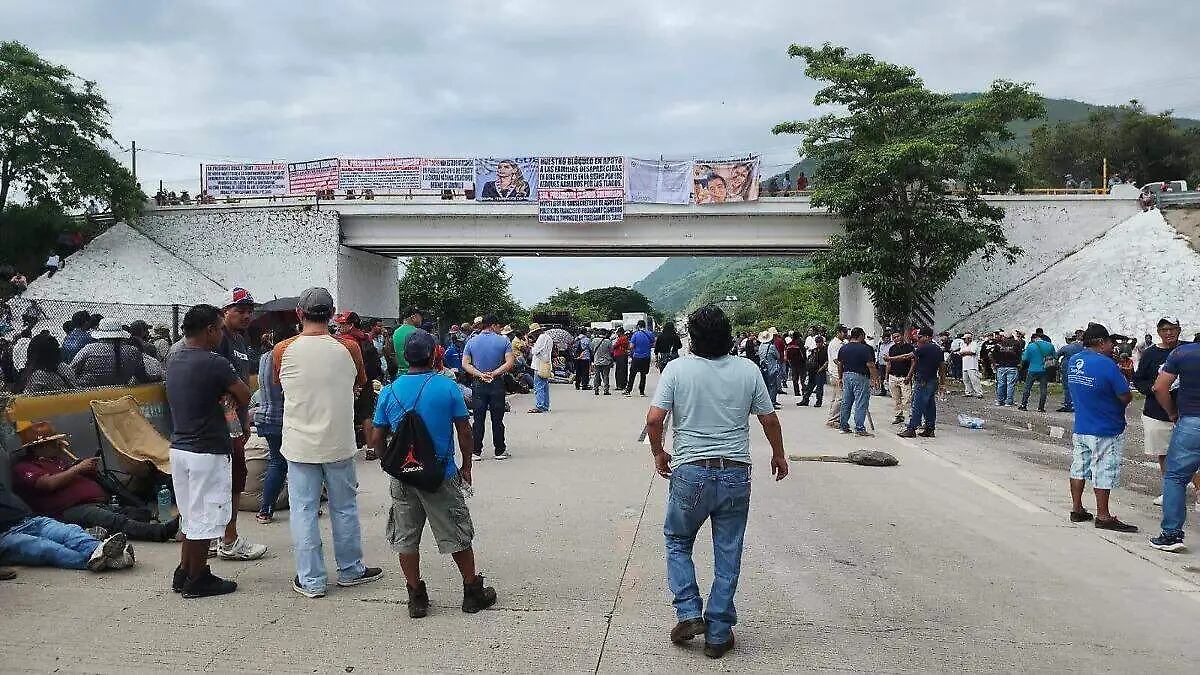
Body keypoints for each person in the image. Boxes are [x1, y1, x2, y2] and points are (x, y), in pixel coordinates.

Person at [645, 304, 789, 660]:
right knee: (728, 551)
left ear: (692, 338)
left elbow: (654, 419)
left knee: (678, 541)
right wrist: (778, 454)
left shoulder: (676, 370)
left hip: (690, 471)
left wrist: (659, 453)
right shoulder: (747, 370)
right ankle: (719, 632)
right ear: (728, 335)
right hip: (735, 472)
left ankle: (690, 612)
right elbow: (769, 419)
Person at [368, 329, 497, 617]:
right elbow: (464, 430)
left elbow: (376, 437)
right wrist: (466, 465)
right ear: (434, 354)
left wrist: (387, 462)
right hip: (440, 475)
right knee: (456, 533)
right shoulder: (447, 387)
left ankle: (416, 597)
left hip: (403, 477)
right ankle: (472, 592)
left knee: (406, 537)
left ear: (405, 357)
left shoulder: (389, 391)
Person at [273, 288, 383, 598]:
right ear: (332, 314)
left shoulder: (283, 349)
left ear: (299, 314)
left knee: (304, 511)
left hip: (299, 444)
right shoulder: (348, 347)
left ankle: (311, 580)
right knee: (345, 508)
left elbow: (278, 383)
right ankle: (350, 569)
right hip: (339, 441)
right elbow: (359, 382)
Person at [165, 304, 252, 598]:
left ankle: (184, 570)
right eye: (219, 328)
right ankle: (198, 578)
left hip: (180, 448)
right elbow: (244, 394)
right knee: (205, 518)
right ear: (211, 330)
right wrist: (225, 394)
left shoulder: (174, 359)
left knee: (190, 516)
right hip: (207, 450)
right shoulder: (215, 362)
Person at [11, 427, 178, 542]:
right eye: (53, 443)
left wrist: (85, 469)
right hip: (65, 510)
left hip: (91, 503)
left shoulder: (57, 461)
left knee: (134, 513)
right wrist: (78, 468)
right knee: (115, 520)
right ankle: (160, 533)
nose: (58, 445)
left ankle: (144, 523)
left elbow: (73, 477)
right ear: (39, 446)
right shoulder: (25, 467)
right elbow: (48, 484)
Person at [1065, 323, 1138, 532]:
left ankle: (1077, 508)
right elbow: (1125, 395)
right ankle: (1104, 516)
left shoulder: (1074, 360)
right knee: (1104, 470)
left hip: (1082, 425)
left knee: (1079, 466)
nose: (1111, 347)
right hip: (1106, 427)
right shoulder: (1106, 364)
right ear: (1100, 342)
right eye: (1109, 342)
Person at [212, 288, 268, 562]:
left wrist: (244, 418)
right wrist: (233, 417)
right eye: (240, 310)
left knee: (230, 477)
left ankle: (217, 536)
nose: (247, 315)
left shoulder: (240, 340)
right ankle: (228, 539)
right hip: (221, 422)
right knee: (231, 477)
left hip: (236, 420)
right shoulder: (219, 339)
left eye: (249, 311)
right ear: (225, 312)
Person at [1134, 317, 1200, 509]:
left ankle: (1198, 491)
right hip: (1157, 412)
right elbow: (1139, 379)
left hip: (1188, 412)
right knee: (1163, 453)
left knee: (1193, 453)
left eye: (1172, 329)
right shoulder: (1150, 354)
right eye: (1164, 329)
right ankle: (1169, 490)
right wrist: (1153, 390)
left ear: (1179, 330)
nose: (1169, 333)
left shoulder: (1189, 349)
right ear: (1158, 332)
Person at [0, 479, 133, 573]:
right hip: (5, 536)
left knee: (69, 532)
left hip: (31, 521)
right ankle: (108, 559)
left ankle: (99, 550)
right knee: (47, 548)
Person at [1149, 329, 1200, 552]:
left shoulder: (1183, 353)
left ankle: (1171, 535)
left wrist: (1172, 413)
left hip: (1192, 422)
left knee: (1176, 477)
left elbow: (1159, 387)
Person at [254, 322, 296, 523]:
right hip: (282, 418)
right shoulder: (286, 357)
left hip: (265, 416)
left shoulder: (264, 357)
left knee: (276, 462)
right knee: (291, 463)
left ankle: (265, 510)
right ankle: (303, 507)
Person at [462, 315, 515, 460]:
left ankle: (476, 451)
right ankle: (499, 450)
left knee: (478, 418)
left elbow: (465, 364)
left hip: (478, 383)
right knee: (497, 418)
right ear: (493, 325)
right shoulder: (503, 341)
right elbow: (510, 362)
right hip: (496, 382)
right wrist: (495, 373)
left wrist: (480, 374)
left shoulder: (471, 342)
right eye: (498, 326)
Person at [334, 311, 385, 449]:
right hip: (365, 381)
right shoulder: (365, 338)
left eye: (342, 324)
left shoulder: (342, 341)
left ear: (350, 325)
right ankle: (370, 448)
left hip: (347, 383)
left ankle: (347, 447)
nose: (339, 327)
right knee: (366, 415)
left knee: (346, 415)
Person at [68, 318, 156, 389]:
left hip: (88, 395)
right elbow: (143, 377)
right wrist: (157, 378)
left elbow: (71, 372)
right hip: (121, 397)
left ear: (100, 334)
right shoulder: (133, 351)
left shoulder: (89, 349)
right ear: (120, 334)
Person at [898, 327, 945, 438]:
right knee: (929, 405)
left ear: (927, 337)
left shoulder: (924, 348)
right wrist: (942, 383)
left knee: (917, 405)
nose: (918, 339)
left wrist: (890, 358)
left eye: (920, 337)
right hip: (933, 379)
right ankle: (930, 429)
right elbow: (942, 367)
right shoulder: (938, 349)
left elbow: (907, 356)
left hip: (923, 380)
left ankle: (911, 429)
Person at [837, 327, 879, 436]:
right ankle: (859, 428)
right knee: (861, 402)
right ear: (861, 335)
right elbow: (870, 365)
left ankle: (843, 426)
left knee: (846, 401)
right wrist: (875, 379)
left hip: (846, 375)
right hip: (860, 376)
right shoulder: (865, 349)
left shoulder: (844, 348)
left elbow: (840, 364)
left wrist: (840, 377)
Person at [1018, 333, 1056, 412]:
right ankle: (1041, 407)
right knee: (1043, 389)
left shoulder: (1030, 346)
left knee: (1027, 387)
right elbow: (1055, 356)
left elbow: (1025, 358)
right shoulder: (1050, 345)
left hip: (1032, 369)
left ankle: (1023, 405)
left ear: (1033, 339)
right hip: (1044, 370)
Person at [884, 330, 915, 424]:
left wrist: (909, 376)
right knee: (896, 399)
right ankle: (898, 415)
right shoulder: (892, 348)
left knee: (907, 399)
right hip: (893, 376)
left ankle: (909, 417)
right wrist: (886, 377)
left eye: (897, 336)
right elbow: (889, 363)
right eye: (894, 337)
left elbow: (913, 362)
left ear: (902, 336)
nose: (896, 339)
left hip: (904, 377)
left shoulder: (909, 347)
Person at [1055, 329, 1086, 412]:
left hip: (1067, 370)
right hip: (1080, 369)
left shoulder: (1066, 348)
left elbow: (1056, 355)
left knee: (1067, 388)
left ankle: (1068, 404)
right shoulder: (1082, 346)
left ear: (1067, 339)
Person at [823, 326, 848, 427]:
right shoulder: (835, 344)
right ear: (838, 332)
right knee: (840, 398)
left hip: (836, 373)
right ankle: (833, 419)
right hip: (836, 373)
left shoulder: (842, 343)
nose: (845, 334)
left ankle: (832, 417)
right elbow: (836, 360)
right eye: (844, 332)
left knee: (835, 398)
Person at [624, 320, 655, 397]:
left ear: (638, 326)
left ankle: (628, 391)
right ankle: (641, 392)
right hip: (646, 357)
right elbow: (653, 344)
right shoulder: (650, 334)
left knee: (632, 374)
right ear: (645, 326)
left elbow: (631, 346)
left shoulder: (635, 334)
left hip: (637, 357)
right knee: (643, 374)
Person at [527, 323, 553, 414]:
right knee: (544, 386)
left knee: (538, 387)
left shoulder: (541, 338)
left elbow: (535, 351)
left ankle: (540, 406)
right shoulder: (548, 337)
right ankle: (545, 405)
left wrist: (532, 346)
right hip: (546, 364)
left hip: (539, 365)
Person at [991, 331, 1022, 406]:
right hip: (1012, 366)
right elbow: (1020, 354)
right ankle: (1009, 401)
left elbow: (993, 355)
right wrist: (1019, 363)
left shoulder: (998, 344)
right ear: (1012, 336)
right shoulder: (1017, 343)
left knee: (1001, 384)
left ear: (1003, 337)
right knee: (1010, 384)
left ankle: (1000, 401)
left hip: (1001, 366)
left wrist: (995, 363)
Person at [391, 307, 423, 376]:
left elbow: (393, 354)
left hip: (400, 374)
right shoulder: (418, 332)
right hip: (416, 375)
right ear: (413, 317)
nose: (421, 319)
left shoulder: (396, 332)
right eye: (420, 316)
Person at [756, 330, 783, 410]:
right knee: (773, 386)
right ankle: (772, 402)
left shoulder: (760, 346)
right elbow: (778, 356)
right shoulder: (771, 347)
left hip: (763, 368)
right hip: (771, 369)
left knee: (766, 386)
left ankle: (766, 402)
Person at [798, 335, 828, 407]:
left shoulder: (825, 350)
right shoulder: (814, 350)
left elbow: (827, 361)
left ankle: (818, 402)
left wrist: (822, 368)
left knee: (819, 388)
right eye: (817, 342)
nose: (818, 344)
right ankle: (805, 400)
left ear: (822, 342)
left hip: (820, 370)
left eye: (819, 342)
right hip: (812, 370)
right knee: (809, 386)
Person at [591, 329, 614, 395]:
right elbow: (611, 351)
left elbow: (592, 349)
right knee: (606, 376)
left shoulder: (594, 340)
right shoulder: (608, 341)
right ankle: (606, 390)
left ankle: (596, 390)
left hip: (597, 361)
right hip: (606, 361)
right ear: (605, 334)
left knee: (596, 376)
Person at [612, 327, 630, 392]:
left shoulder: (621, 338)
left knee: (619, 371)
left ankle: (619, 385)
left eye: (618, 332)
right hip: (624, 355)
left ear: (620, 332)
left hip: (620, 356)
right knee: (624, 370)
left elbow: (614, 346)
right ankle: (624, 384)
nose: (617, 334)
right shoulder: (625, 338)